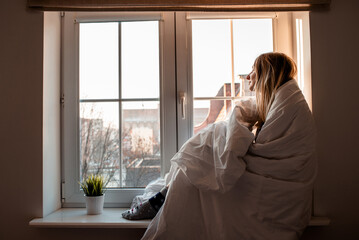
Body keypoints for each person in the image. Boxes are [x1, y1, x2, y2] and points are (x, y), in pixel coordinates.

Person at [123, 52, 317, 240]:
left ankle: (161, 199)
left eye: (253, 70)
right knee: (206, 150)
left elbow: (267, 156)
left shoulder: (288, 106)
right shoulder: (285, 102)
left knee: (202, 155)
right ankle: (162, 197)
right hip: (268, 182)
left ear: (268, 74)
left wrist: (232, 134)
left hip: (275, 191)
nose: (249, 76)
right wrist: (237, 121)